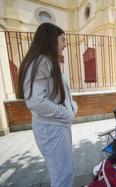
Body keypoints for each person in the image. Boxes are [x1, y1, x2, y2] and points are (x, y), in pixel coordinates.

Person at [16, 23, 77, 187]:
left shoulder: (47, 61)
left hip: (57, 125)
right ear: (51, 40)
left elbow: (57, 94)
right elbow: (36, 101)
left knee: (65, 172)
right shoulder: (41, 62)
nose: (65, 44)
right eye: (63, 40)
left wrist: (72, 106)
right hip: (52, 128)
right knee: (62, 176)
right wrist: (66, 114)